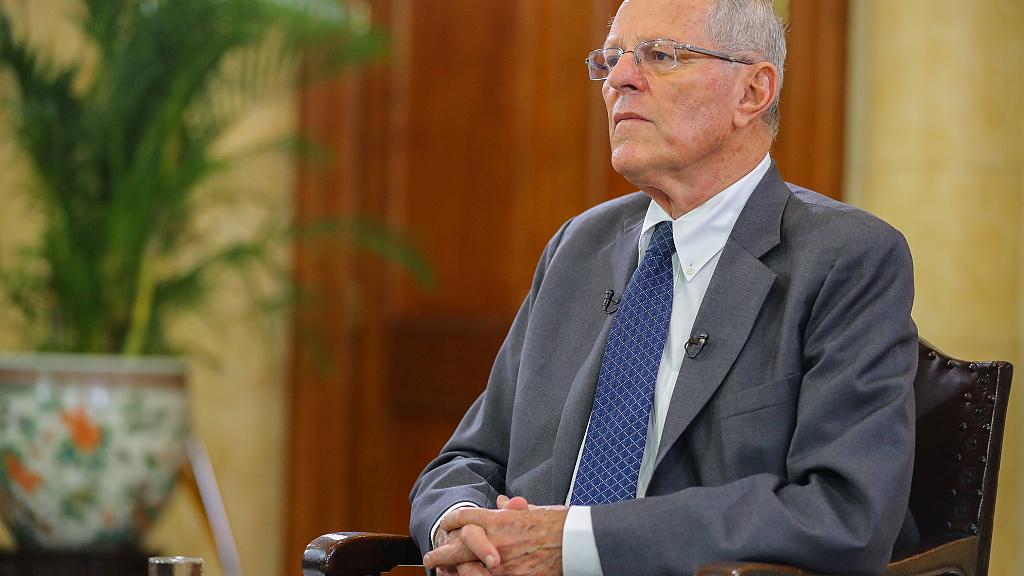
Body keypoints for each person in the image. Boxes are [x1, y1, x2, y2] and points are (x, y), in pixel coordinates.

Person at [411, 0, 919, 574]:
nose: (620, 80)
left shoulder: (846, 258)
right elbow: (468, 459)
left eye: (660, 55)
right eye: (611, 60)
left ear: (753, 91)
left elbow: (845, 511)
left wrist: (574, 544)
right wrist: (463, 526)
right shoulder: (579, 246)